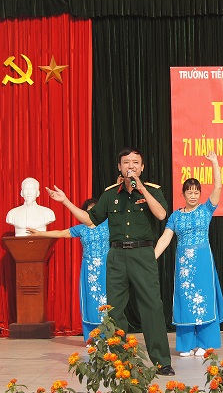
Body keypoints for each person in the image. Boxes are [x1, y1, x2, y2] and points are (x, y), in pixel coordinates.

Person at [46, 147, 175, 376]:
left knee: (152, 307)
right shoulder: (110, 194)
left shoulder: (153, 190)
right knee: (114, 309)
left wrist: (141, 188)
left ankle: (161, 362)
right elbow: (90, 220)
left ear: (142, 167)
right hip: (116, 255)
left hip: (142, 254)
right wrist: (65, 201)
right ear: (119, 167)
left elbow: (161, 215)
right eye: (126, 162)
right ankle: (120, 360)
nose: (130, 166)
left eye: (135, 162)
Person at [154, 151, 223, 357]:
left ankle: (205, 343)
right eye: (189, 192)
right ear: (183, 194)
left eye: (196, 192)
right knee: (185, 301)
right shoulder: (175, 216)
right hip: (184, 266)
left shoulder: (206, 210)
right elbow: (165, 239)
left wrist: (215, 162)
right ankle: (186, 344)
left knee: (204, 300)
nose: (193, 195)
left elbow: (218, 187)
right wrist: (151, 258)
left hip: (203, 263)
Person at [28, 198, 109, 342]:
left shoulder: (109, 224)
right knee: (90, 302)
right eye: (88, 211)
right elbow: (60, 233)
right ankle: (92, 338)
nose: (92, 214)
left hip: (107, 268)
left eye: (95, 210)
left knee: (108, 300)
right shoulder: (81, 228)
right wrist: (39, 233)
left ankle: (110, 336)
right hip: (89, 271)